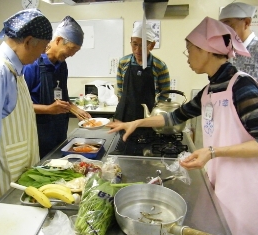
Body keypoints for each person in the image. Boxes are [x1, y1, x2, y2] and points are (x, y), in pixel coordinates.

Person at [107, 16, 258, 235]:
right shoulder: (210, 91)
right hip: (219, 184)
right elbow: (174, 117)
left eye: (189, 49)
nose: (187, 57)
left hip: (244, 191)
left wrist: (213, 152)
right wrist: (137, 122)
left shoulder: (242, 86)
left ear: (207, 49)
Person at [0, 9, 52, 209]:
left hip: (15, 168)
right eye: (42, 48)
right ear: (28, 41)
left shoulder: (14, 69)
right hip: (0, 174)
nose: (42, 54)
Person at [23, 16, 91, 159]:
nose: (71, 55)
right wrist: (48, 109)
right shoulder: (32, 65)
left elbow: (61, 98)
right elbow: (20, 106)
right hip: (38, 134)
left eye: (76, 51)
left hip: (59, 131)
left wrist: (74, 108)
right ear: (58, 40)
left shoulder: (62, 65)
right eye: (71, 49)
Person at [113, 22, 170, 124]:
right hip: (125, 116)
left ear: (151, 45)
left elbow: (164, 95)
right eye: (134, 44)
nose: (138, 49)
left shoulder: (160, 66)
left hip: (149, 117)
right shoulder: (123, 62)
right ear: (131, 42)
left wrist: (155, 114)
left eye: (143, 45)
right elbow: (120, 91)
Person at [219, 2, 258, 79]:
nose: (225, 30)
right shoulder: (226, 49)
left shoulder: (256, 48)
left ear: (247, 23)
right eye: (222, 26)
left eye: (228, 25)